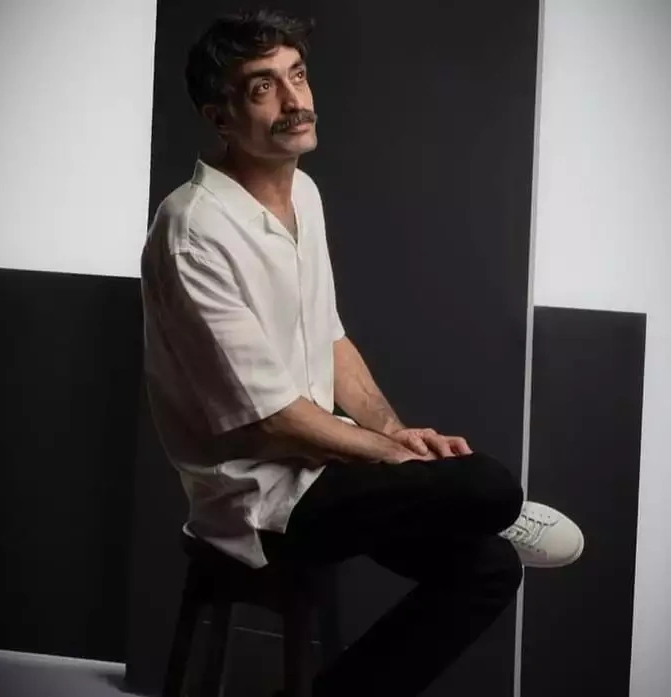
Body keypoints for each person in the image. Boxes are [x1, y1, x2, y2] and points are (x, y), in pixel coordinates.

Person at [140, 9, 584, 696]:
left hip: (323, 467)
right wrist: (398, 462)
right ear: (219, 116)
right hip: (260, 499)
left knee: (489, 567)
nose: (293, 101)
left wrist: (394, 433)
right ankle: (489, 503)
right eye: (263, 87)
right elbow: (270, 418)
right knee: (488, 486)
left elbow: (330, 338)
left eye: (297, 76)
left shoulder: (303, 194)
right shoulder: (192, 231)